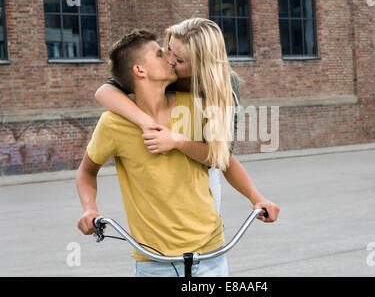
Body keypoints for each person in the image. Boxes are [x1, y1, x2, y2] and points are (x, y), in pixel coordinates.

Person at [76, 29, 279, 277]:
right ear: (140, 70)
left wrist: (256, 197)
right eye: (160, 55)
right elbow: (87, 172)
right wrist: (89, 208)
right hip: (152, 259)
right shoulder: (112, 124)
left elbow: (223, 158)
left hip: (210, 253)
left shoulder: (194, 106)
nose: (170, 59)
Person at [94, 18, 275, 217]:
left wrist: (177, 141)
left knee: (205, 228)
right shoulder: (162, 72)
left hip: (200, 168)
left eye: (179, 60)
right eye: (169, 49)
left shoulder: (222, 85)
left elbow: (221, 156)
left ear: (201, 65)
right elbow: (105, 91)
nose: (170, 60)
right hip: (158, 170)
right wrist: (148, 124)